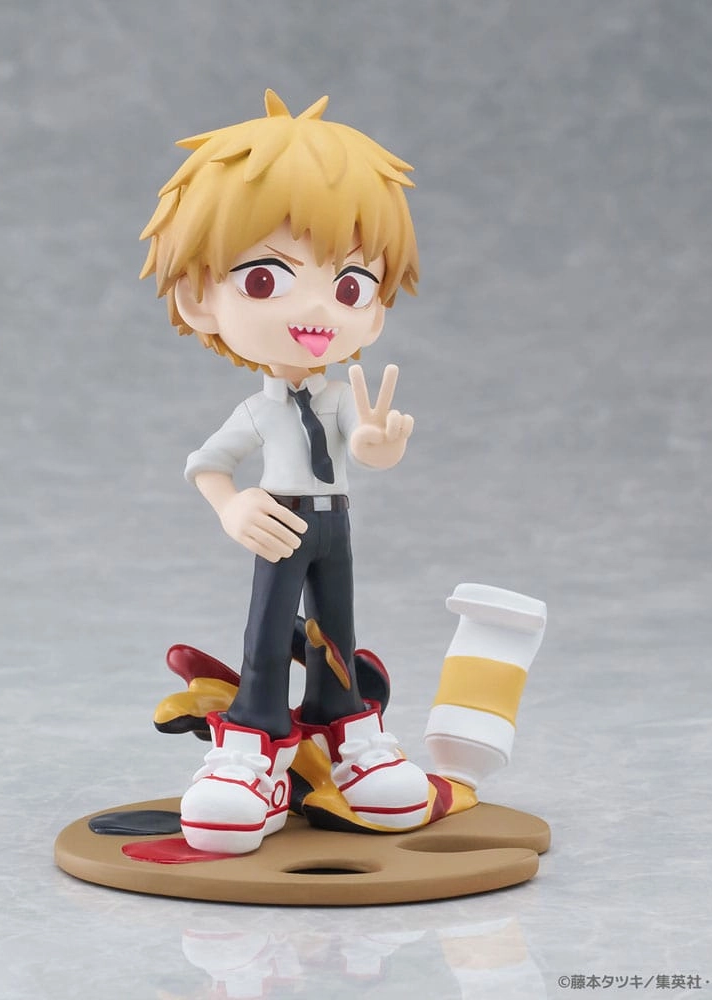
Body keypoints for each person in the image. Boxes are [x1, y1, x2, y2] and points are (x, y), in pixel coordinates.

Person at [141, 90, 430, 854]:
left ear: (374, 307)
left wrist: (376, 448)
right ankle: (254, 745)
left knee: (337, 628)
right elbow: (207, 464)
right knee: (268, 633)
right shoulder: (258, 410)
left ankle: (348, 731)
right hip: (279, 521)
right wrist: (232, 507)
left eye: (350, 286)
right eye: (267, 279)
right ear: (200, 296)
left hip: (335, 524)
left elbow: (359, 442)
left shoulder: (339, 397)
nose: (320, 311)